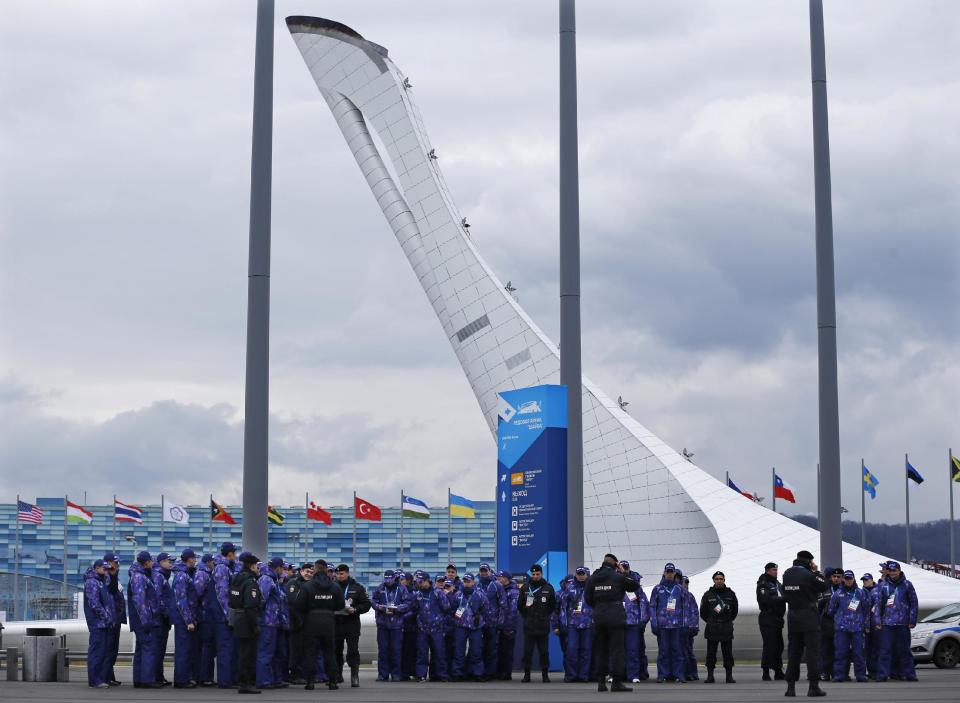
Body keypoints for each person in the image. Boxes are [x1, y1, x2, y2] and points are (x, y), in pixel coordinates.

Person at [584, 552, 638, 693]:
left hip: (599, 617)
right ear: (615, 565)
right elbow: (634, 586)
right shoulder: (618, 577)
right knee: (617, 650)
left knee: (600, 650)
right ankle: (617, 683)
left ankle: (601, 682)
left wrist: (599, 606)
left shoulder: (593, 578)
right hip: (615, 617)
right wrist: (624, 572)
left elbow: (588, 598)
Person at [782, 549, 829, 697]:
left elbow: (784, 592)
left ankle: (790, 687)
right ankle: (813, 687)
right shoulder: (809, 574)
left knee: (793, 653)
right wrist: (816, 572)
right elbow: (824, 585)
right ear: (809, 561)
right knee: (812, 653)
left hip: (793, 616)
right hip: (809, 617)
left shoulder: (787, 574)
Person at [299, 558, 345, 690]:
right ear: (326, 570)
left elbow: (299, 604)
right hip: (329, 622)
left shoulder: (307, 586)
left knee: (310, 653)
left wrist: (309, 612)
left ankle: (310, 681)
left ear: (315, 569)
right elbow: (341, 605)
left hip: (311, 622)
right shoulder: (334, 586)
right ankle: (332, 681)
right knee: (330, 652)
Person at [874, 560, 919, 682]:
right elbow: (878, 604)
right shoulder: (882, 585)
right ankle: (882, 674)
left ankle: (910, 674)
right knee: (885, 650)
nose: (892, 573)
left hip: (903, 622)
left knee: (904, 650)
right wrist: (877, 621)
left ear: (899, 571)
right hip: (887, 623)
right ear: (887, 571)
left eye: (895, 570)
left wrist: (912, 619)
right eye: (890, 570)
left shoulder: (907, 585)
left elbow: (914, 603)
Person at [228, 551, 263, 694]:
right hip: (247, 620)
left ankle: (243, 682)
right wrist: (255, 624)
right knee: (248, 654)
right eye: (257, 566)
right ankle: (246, 684)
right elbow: (251, 605)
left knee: (242, 652)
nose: (258, 568)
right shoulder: (250, 582)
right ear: (252, 566)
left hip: (238, 617)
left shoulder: (236, 578)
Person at [128, 551, 162, 688]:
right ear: (146, 562)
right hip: (143, 620)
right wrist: (146, 620)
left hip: (140, 620)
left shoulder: (139, 576)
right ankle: (147, 679)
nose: (153, 563)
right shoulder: (139, 577)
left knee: (141, 649)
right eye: (151, 561)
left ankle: (139, 679)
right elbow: (140, 601)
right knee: (148, 648)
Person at [827, 570, 869, 682]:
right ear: (843, 579)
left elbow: (866, 609)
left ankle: (861, 675)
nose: (848, 580)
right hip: (841, 628)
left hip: (857, 628)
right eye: (846, 578)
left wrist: (865, 624)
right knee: (841, 652)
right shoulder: (837, 594)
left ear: (854, 579)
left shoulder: (861, 593)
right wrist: (840, 618)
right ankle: (839, 675)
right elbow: (830, 610)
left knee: (858, 653)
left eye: (850, 578)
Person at [517, 563, 556, 683]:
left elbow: (552, 606)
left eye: (537, 574)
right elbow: (520, 606)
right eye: (533, 574)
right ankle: (526, 675)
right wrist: (527, 615)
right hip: (529, 625)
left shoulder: (548, 588)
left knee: (544, 652)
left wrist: (544, 616)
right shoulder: (525, 587)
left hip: (542, 626)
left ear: (541, 574)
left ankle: (545, 675)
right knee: (527, 652)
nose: (535, 576)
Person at [333, 563, 370, 687]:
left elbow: (366, 604)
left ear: (347, 573)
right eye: (337, 574)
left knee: (353, 651)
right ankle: (338, 675)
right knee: (336, 651)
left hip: (351, 623)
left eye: (341, 574)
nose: (339, 576)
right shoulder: (332, 587)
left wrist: (355, 609)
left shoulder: (357, 587)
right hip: (336, 623)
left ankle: (355, 676)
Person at [699, 570, 738, 683]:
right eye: (717, 579)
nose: (719, 581)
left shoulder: (731, 594)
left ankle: (729, 676)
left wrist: (727, 620)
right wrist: (711, 621)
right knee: (711, 653)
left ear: (724, 580)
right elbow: (703, 612)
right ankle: (710, 676)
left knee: (728, 653)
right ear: (713, 580)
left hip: (726, 626)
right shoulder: (708, 595)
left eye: (721, 579)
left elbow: (735, 611)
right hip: (713, 627)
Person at [449, 572, 489, 681]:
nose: (466, 583)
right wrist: (457, 620)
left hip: (475, 627)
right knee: (459, 651)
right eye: (465, 581)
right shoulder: (458, 594)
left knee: (476, 651)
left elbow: (486, 609)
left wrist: (479, 619)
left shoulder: (480, 594)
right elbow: (453, 609)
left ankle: (477, 673)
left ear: (473, 582)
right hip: (460, 626)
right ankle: (457, 674)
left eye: (468, 581)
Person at [255, 557, 288, 689]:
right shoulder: (266, 579)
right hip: (267, 622)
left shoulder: (274, 579)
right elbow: (261, 599)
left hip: (275, 622)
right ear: (277, 567)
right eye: (283, 568)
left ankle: (276, 679)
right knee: (265, 652)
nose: (283, 571)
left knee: (276, 653)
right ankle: (263, 681)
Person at [371, 569, 410, 681]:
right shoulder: (380, 588)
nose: (388, 581)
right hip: (383, 624)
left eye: (390, 579)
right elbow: (373, 601)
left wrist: (397, 609)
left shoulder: (402, 589)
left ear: (394, 578)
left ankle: (396, 674)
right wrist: (379, 607)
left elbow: (408, 603)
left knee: (396, 650)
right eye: (386, 579)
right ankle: (382, 674)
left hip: (397, 625)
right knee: (383, 650)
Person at [649, 562, 684, 683]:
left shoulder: (679, 589)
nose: (669, 574)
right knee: (663, 651)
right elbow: (652, 606)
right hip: (662, 626)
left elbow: (686, 607)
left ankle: (678, 674)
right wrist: (654, 623)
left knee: (677, 651)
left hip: (676, 625)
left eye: (671, 572)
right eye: (667, 572)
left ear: (674, 573)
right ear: (664, 573)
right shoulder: (657, 589)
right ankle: (662, 675)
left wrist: (685, 624)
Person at [412, 571, 450, 681]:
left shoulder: (438, 592)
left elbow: (447, 607)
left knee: (439, 652)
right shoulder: (417, 594)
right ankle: (421, 675)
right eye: (417, 581)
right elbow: (414, 608)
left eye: (421, 581)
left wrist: (439, 619)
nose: (419, 584)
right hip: (422, 628)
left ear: (427, 580)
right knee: (422, 652)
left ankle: (440, 675)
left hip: (436, 628)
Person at [170, 549, 200, 688]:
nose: (195, 561)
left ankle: (185, 678)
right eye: (194, 558)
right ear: (189, 559)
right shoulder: (182, 576)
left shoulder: (186, 574)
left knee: (187, 650)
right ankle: (181, 680)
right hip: (184, 621)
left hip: (187, 619)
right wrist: (188, 620)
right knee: (183, 650)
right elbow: (181, 600)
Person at [83, 559, 115, 688]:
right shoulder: (92, 582)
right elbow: (94, 603)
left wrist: (113, 573)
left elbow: (111, 585)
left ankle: (100, 678)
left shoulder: (101, 582)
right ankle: (94, 680)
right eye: (104, 569)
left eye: (107, 569)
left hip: (104, 623)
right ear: (96, 568)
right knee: (96, 652)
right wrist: (106, 616)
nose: (106, 571)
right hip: (98, 623)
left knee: (102, 652)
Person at [211, 542, 239, 688]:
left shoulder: (226, 567)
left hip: (225, 615)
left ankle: (229, 679)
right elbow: (222, 594)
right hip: (223, 617)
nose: (236, 555)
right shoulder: (222, 568)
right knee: (225, 650)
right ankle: (225, 681)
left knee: (229, 649)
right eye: (234, 552)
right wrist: (229, 615)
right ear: (230, 554)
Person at [619, 561, 649, 683]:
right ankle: (617, 675)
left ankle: (633, 675)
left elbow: (643, 604)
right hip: (618, 623)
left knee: (633, 650)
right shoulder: (615, 584)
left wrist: (642, 621)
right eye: (622, 568)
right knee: (618, 650)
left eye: (626, 568)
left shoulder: (636, 587)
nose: (624, 570)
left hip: (633, 623)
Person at [562, 566, 593, 682]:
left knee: (586, 651)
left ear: (587, 574)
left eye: (583, 573)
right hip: (573, 624)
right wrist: (563, 622)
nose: (580, 576)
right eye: (579, 574)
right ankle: (571, 675)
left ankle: (584, 675)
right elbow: (563, 606)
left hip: (588, 624)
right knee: (571, 650)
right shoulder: (569, 588)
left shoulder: (592, 588)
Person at [756, 561, 786, 680]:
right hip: (768, 617)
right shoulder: (763, 584)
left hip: (778, 619)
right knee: (769, 645)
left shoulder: (777, 583)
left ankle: (778, 670)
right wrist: (782, 599)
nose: (776, 572)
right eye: (774, 570)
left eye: (776, 570)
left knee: (779, 645)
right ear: (768, 571)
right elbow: (765, 600)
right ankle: (766, 671)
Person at [283, 563, 311, 684]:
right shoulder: (293, 583)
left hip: (308, 622)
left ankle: (304, 674)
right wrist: (298, 620)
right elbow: (292, 602)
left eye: (311, 573)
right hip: (296, 622)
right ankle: (295, 674)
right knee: (296, 650)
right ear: (301, 571)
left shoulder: (311, 584)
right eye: (307, 572)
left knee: (306, 650)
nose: (309, 574)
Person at [193, 553, 218, 686]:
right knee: (206, 648)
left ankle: (206, 676)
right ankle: (203, 677)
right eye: (213, 562)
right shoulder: (202, 574)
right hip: (204, 616)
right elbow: (196, 595)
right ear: (208, 562)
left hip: (208, 616)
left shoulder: (208, 573)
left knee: (209, 648)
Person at [151, 552, 174, 686]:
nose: (170, 563)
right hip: (160, 619)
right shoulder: (158, 576)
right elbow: (158, 598)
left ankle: (159, 676)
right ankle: (155, 677)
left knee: (161, 650)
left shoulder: (163, 576)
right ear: (160, 562)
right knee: (157, 649)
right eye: (168, 561)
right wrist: (166, 613)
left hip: (163, 619)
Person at [102, 552, 125, 686]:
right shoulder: (106, 577)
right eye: (115, 562)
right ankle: (106, 676)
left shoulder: (114, 577)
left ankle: (109, 675)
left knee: (113, 649)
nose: (117, 565)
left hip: (117, 618)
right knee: (109, 649)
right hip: (111, 619)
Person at [481, 564, 506, 681]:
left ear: (490, 572)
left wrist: (500, 622)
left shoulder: (497, 585)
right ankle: (480, 672)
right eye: (482, 571)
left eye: (485, 571)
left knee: (492, 649)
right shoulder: (477, 584)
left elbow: (503, 605)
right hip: (479, 624)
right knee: (480, 648)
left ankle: (490, 673)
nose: (484, 573)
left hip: (493, 623)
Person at [818, 567, 843, 681]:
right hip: (827, 623)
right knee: (826, 649)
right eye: (834, 577)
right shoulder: (825, 589)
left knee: (839, 649)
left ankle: (837, 672)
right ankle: (825, 672)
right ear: (831, 577)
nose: (836, 579)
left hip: (842, 623)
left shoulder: (846, 589)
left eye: (838, 577)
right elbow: (818, 607)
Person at [495, 570, 519, 680]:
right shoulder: (498, 590)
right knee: (499, 650)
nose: (498, 579)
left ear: (506, 579)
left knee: (507, 651)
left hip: (508, 627)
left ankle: (506, 674)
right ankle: (499, 673)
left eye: (500, 577)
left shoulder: (513, 591)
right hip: (498, 626)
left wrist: (508, 627)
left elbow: (513, 611)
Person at [680, 574, 699, 681]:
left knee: (689, 652)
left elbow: (695, 612)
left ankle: (693, 673)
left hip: (688, 629)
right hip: (679, 628)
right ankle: (684, 673)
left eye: (687, 582)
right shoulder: (677, 595)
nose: (685, 584)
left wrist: (694, 626)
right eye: (684, 582)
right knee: (681, 652)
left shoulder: (690, 596)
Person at [860, 573, 879, 678]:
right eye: (864, 580)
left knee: (877, 649)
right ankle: (871, 671)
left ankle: (876, 671)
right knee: (867, 650)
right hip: (865, 626)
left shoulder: (878, 591)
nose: (865, 582)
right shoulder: (860, 592)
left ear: (872, 580)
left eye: (867, 580)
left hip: (876, 625)